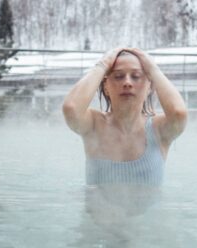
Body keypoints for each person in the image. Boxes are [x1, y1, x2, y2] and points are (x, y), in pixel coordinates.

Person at [62, 47, 187, 186]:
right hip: (100, 208)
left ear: (149, 87)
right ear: (106, 87)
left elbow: (178, 113)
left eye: (136, 76)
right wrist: (103, 64)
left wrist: (153, 69)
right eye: (118, 76)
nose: (127, 82)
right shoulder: (94, 125)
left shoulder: (158, 130)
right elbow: (71, 108)